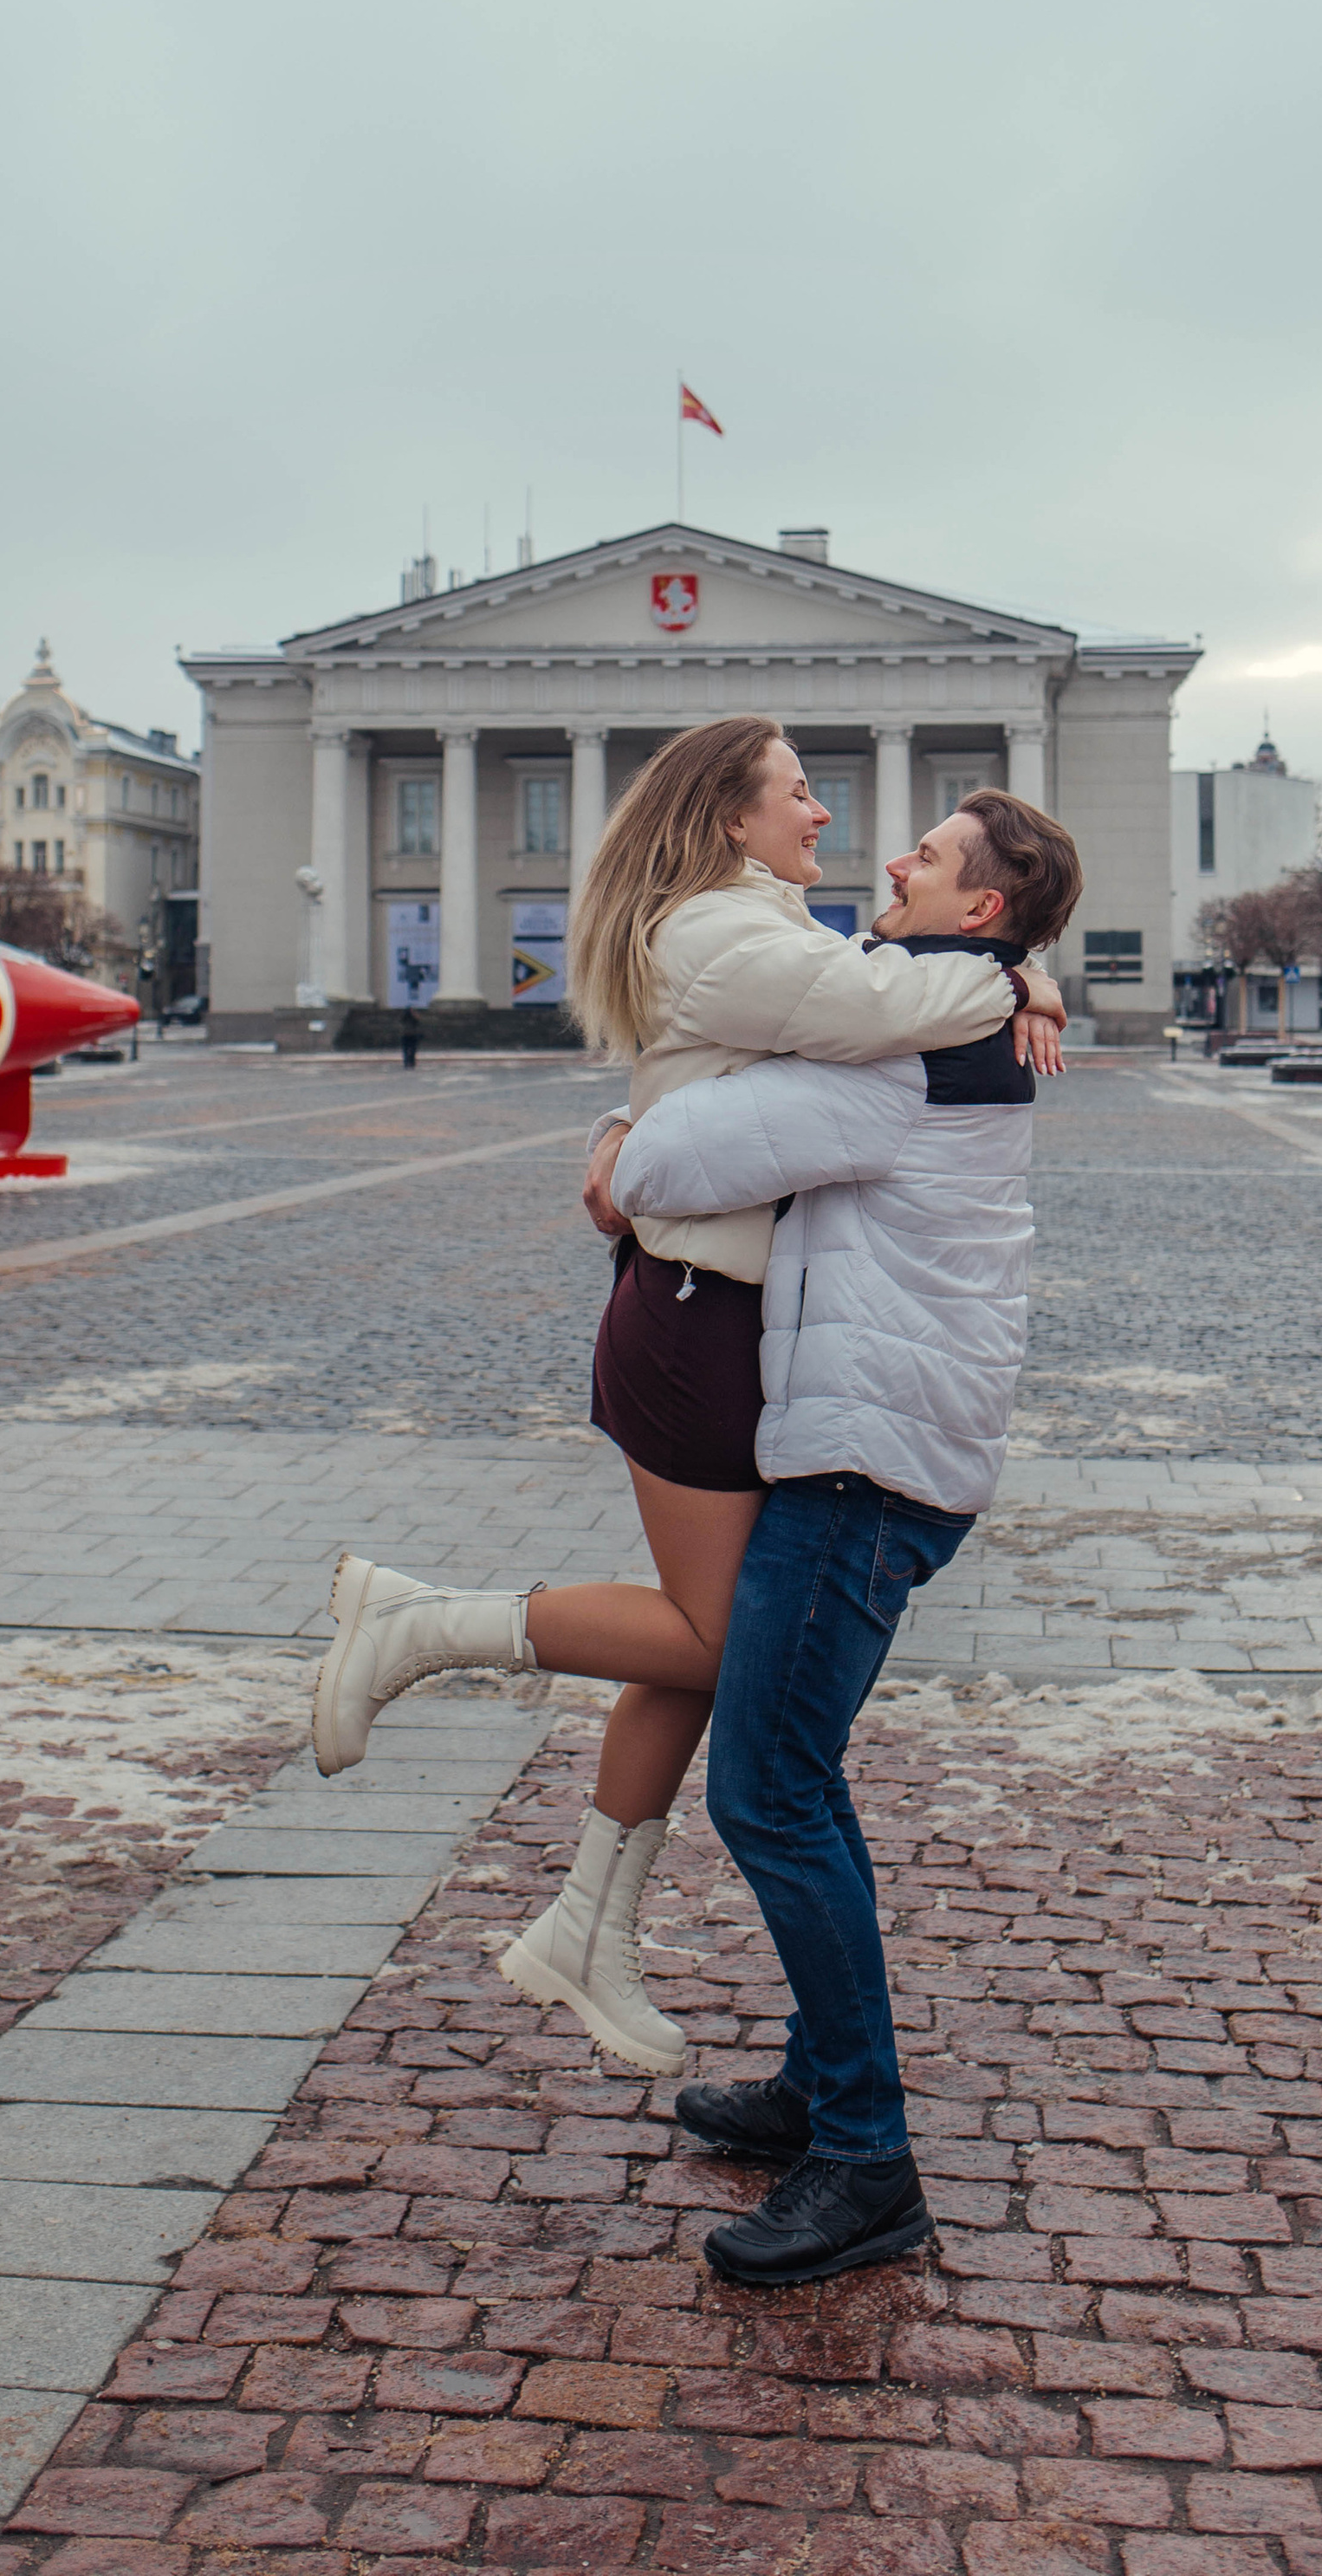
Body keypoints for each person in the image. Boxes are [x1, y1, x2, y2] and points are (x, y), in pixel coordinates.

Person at [308, 715, 1066, 2073]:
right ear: (729, 813)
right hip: (695, 1314)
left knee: (712, 1647)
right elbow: (886, 1007)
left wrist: (1021, 960)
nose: (828, 818)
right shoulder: (723, 930)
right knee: (722, 1645)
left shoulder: (762, 919)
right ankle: (420, 1628)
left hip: (730, 1316)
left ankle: (588, 1925)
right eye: (795, 793)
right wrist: (1015, 976)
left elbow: (881, 979)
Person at [593, 788, 1083, 2286]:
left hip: (864, 1464)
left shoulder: (902, 1065)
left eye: (927, 858)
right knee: (800, 1779)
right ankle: (821, 2086)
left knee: (766, 1793)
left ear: (979, 912)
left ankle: (866, 2159)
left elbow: (658, 1174)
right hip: (892, 1446)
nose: (891, 860)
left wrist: (638, 1117)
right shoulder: (965, 1022)